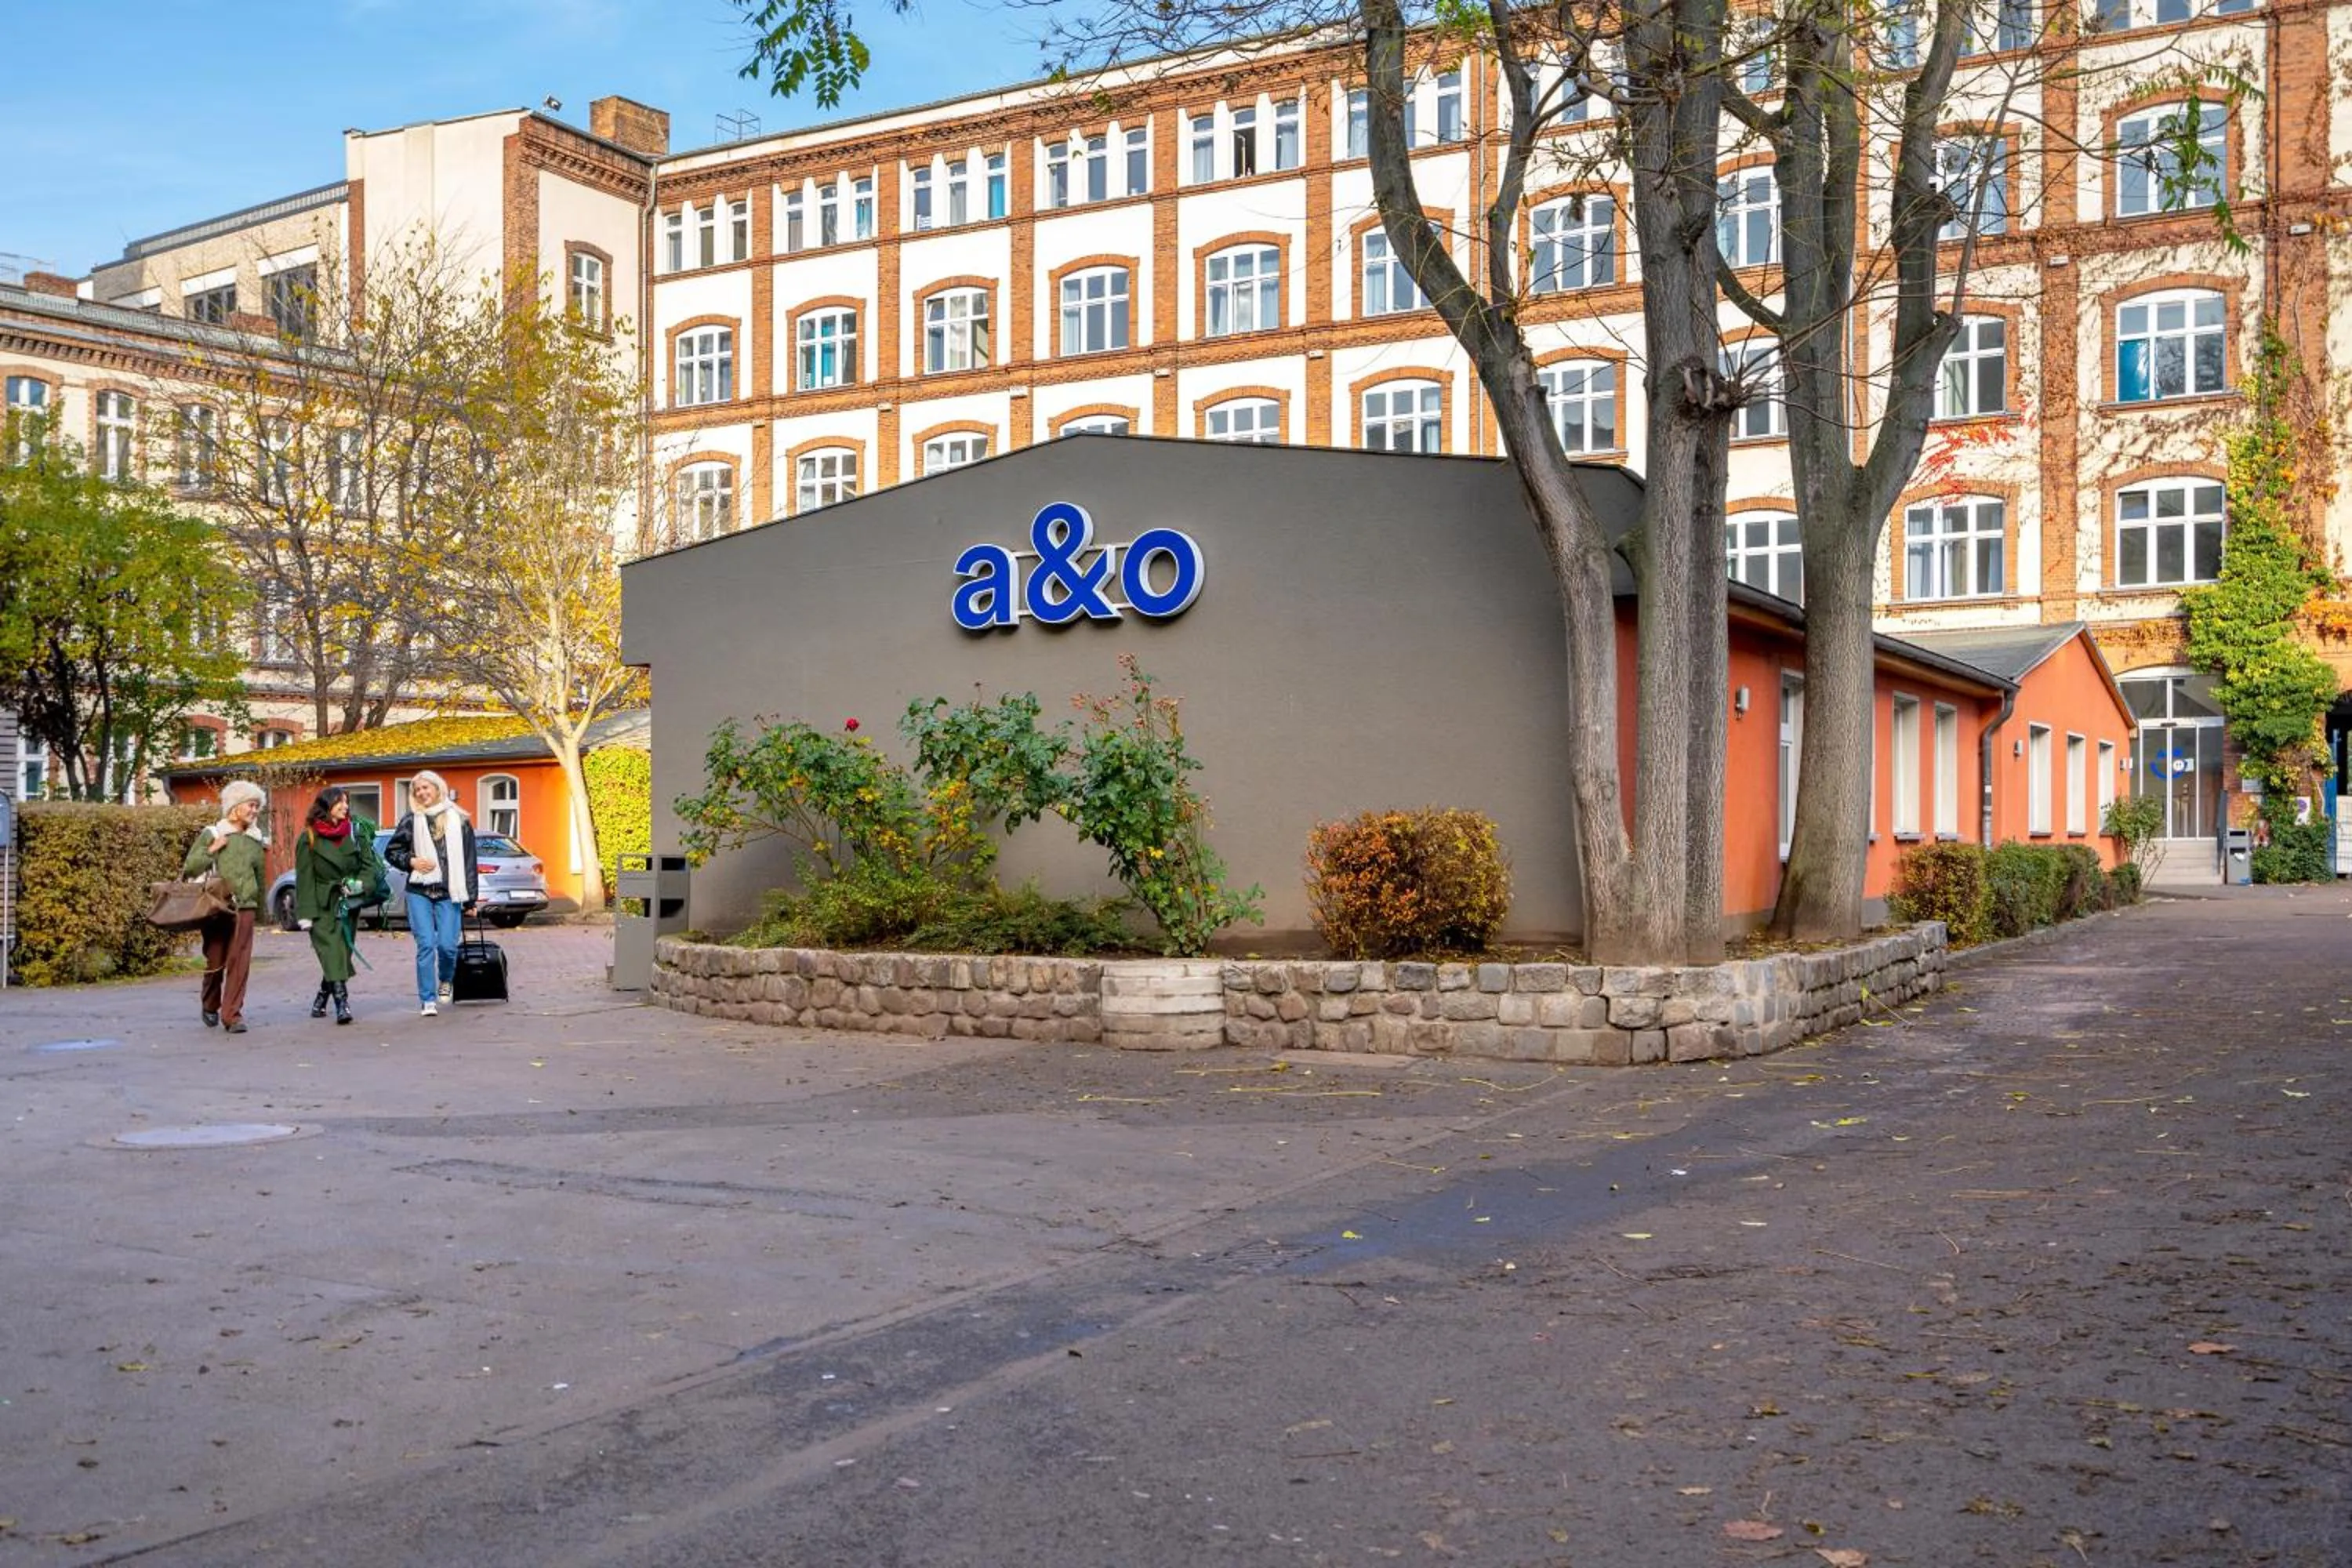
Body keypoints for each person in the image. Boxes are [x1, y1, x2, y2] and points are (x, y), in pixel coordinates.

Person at [383, 770, 479, 1017]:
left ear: (438, 788)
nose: (422, 793)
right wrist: (411, 861)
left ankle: (446, 980)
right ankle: (427, 999)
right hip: (419, 891)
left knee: (447, 946)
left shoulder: (460, 820)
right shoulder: (411, 820)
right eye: (418, 790)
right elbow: (392, 852)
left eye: (426, 787)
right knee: (426, 944)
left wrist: (471, 900)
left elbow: (469, 862)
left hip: (449, 892)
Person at [293, 786, 379, 1025]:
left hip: (347, 902)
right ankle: (342, 1003)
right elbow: (305, 877)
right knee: (331, 951)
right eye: (339, 802)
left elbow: (369, 865)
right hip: (322, 903)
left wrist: (361, 884)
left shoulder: (355, 832)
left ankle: (322, 997)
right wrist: (306, 914)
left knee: (341, 954)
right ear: (326, 806)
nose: (345, 807)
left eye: (346, 802)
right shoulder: (308, 837)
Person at [185, 779, 267, 1033]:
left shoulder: (255, 839)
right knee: (216, 957)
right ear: (236, 806)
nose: (255, 811)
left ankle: (232, 1015)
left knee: (240, 960)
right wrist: (212, 849)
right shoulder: (214, 833)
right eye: (251, 805)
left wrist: (260, 907)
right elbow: (191, 866)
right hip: (218, 907)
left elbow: (260, 875)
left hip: (246, 907)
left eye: (257, 806)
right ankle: (210, 1003)